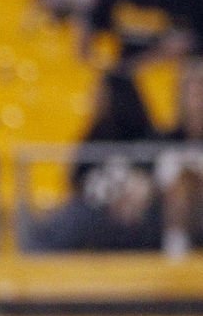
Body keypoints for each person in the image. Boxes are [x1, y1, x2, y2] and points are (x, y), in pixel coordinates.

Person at [19, 69, 164, 250]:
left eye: (101, 94)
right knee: (59, 220)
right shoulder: (94, 135)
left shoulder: (147, 137)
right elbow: (75, 182)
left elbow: (156, 178)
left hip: (137, 216)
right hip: (94, 212)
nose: (95, 99)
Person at [78, 0, 203, 73]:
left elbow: (196, 38)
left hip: (166, 76)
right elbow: (96, 19)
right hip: (121, 67)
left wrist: (185, 46)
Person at [157, 58, 203, 255]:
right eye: (193, 93)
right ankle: (175, 255)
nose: (198, 101)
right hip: (167, 211)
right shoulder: (165, 138)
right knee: (182, 180)